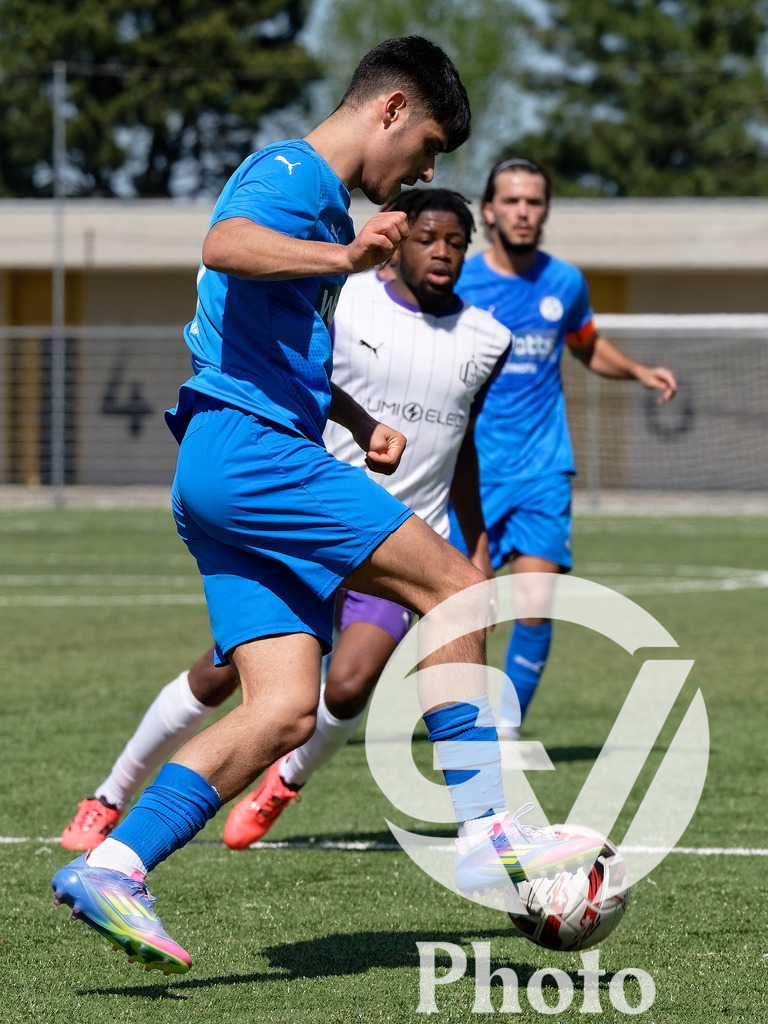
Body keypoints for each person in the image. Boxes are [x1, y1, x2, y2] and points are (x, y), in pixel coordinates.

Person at [51, 43, 604, 976]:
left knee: (281, 713)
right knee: (460, 591)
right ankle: (484, 829)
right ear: (390, 109)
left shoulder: (321, 205)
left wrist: (353, 414)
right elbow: (223, 243)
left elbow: (261, 332)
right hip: (253, 453)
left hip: (228, 462)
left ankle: (114, 863)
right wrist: (343, 253)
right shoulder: (293, 173)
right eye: (427, 147)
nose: (426, 174)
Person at [62, 187, 511, 852]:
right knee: (230, 680)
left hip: (400, 531)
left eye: (456, 241)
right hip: (303, 509)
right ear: (395, 247)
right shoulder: (340, 278)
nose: (442, 251)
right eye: (427, 237)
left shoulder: (488, 337)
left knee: (336, 688)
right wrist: (356, 417)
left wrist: (475, 539)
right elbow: (247, 293)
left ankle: (278, 788)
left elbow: (467, 446)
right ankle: (109, 797)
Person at [450, 156, 678, 738]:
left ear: (544, 209)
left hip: (542, 468)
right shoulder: (460, 281)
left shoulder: (565, 283)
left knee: (534, 604)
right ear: (490, 210)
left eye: (535, 202)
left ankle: (501, 729)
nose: (524, 212)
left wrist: (639, 371)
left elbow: (586, 346)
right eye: (513, 201)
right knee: (452, 611)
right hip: (468, 473)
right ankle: (346, 698)